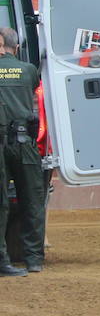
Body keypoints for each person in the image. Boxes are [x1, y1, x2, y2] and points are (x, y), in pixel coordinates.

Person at [0, 27, 43, 276]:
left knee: (1, 202)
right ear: (16, 48)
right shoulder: (28, 70)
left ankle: (2, 258)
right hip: (24, 141)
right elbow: (35, 91)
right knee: (32, 199)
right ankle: (34, 259)